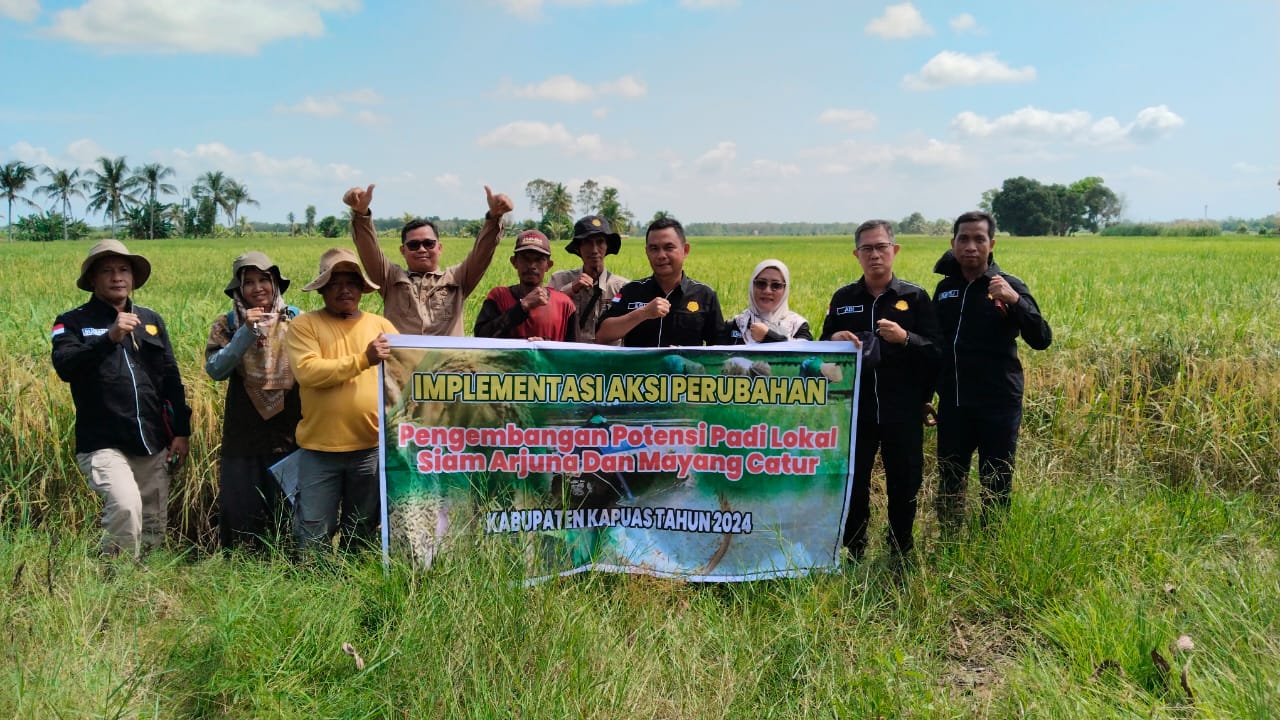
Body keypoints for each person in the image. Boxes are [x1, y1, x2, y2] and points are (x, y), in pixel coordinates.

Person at [51, 240, 192, 558]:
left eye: (123, 270)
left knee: (154, 523)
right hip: (103, 441)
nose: (117, 277)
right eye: (107, 271)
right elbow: (66, 366)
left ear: (133, 277)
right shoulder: (72, 322)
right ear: (92, 280)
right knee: (126, 507)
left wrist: (181, 432)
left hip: (152, 441)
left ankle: (146, 594)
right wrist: (109, 337)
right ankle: (116, 584)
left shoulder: (151, 320)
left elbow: (171, 379)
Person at [820, 220, 940, 559]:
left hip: (901, 410)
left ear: (894, 250)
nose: (875, 254)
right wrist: (832, 340)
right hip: (855, 412)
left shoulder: (914, 298)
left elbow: (936, 352)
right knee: (854, 484)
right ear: (856, 254)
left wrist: (906, 339)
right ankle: (854, 551)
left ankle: (901, 550)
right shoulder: (843, 299)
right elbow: (821, 354)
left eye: (881, 247)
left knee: (904, 484)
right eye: (867, 248)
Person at [932, 211, 1052, 530]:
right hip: (954, 403)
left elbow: (1042, 338)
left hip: (998, 404)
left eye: (979, 239)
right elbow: (936, 347)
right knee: (950, 478)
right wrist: (925, 392)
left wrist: (1015, 302)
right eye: (964, 239)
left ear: (992, 244)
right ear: (953, 243)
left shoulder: (1008, 285)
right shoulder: (944, 290)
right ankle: (950, 541)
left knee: (996, 479)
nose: (971, 246)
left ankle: (991, 547)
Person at [285, 248, 398, 553]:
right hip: (320, 450)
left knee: (362, 525)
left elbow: (404, 377)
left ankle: (354, 583)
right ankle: (315, 586)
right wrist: (364, 359)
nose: (344, 289)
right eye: (335, 282)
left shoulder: (382, 327)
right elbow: (309, 372)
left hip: (371, 448)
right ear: (322, 289)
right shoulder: (304, 326)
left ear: (362, 288)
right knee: (313, 526)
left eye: (351, 281)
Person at [205, 251, 302, 552]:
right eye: (249, 282)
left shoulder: (296, 318)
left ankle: (288, 567)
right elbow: (216, 369)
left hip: (289, 430)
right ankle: (241, 567)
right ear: (238, 289)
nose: (258, 287)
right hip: (244, 431)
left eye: (264, 280)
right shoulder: (228, 324)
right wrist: (246, 332)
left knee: (288, 507)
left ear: (275, 284)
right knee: (242, 508)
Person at [342, 182, 515, 335]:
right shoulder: (390, 279)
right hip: (403, 367)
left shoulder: (457, 279)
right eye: (414, 245)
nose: (422, 249)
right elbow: (369, 251)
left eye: (429, 243)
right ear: (403, 250)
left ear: (439, 248)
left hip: (446, 369)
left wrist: (494, 218)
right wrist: (360, 214)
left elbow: (482, 254)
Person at [596, 216, 723, 347]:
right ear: (647, 252)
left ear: (685, 250)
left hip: (685, 368)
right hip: (639, 368)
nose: (661, 255)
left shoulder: (705, 295)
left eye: (669, 247)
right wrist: (643, 313)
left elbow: (719, 349)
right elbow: (602, 334)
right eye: (654, 248)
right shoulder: (631, 291)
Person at [474, 229, 578, 341]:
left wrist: (545, 346)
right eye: (525, 259)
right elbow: (481, 337)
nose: (532, 265)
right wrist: (522, 307)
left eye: (539, 260)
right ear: (514, 262)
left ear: (548, 265)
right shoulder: (499, 297)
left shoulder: (564, 305)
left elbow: (574, 352)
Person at [548, 215, 630, 344]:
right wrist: (571, 289)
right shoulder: (560, 279)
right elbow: (545, 314)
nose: (594, 250)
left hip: (607, 359)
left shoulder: (622, 287)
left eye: (600, 242)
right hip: (570, 357)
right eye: (587, 242)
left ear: (607, 246)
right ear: (578, 248)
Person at [717, 258, 812, 344]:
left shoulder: (798, 326)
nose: (767, 291)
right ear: (752, 286)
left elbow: (804, 356)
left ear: (785, 289)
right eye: (761, 283)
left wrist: (769, 336)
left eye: (776, 285)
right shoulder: (736, 325)